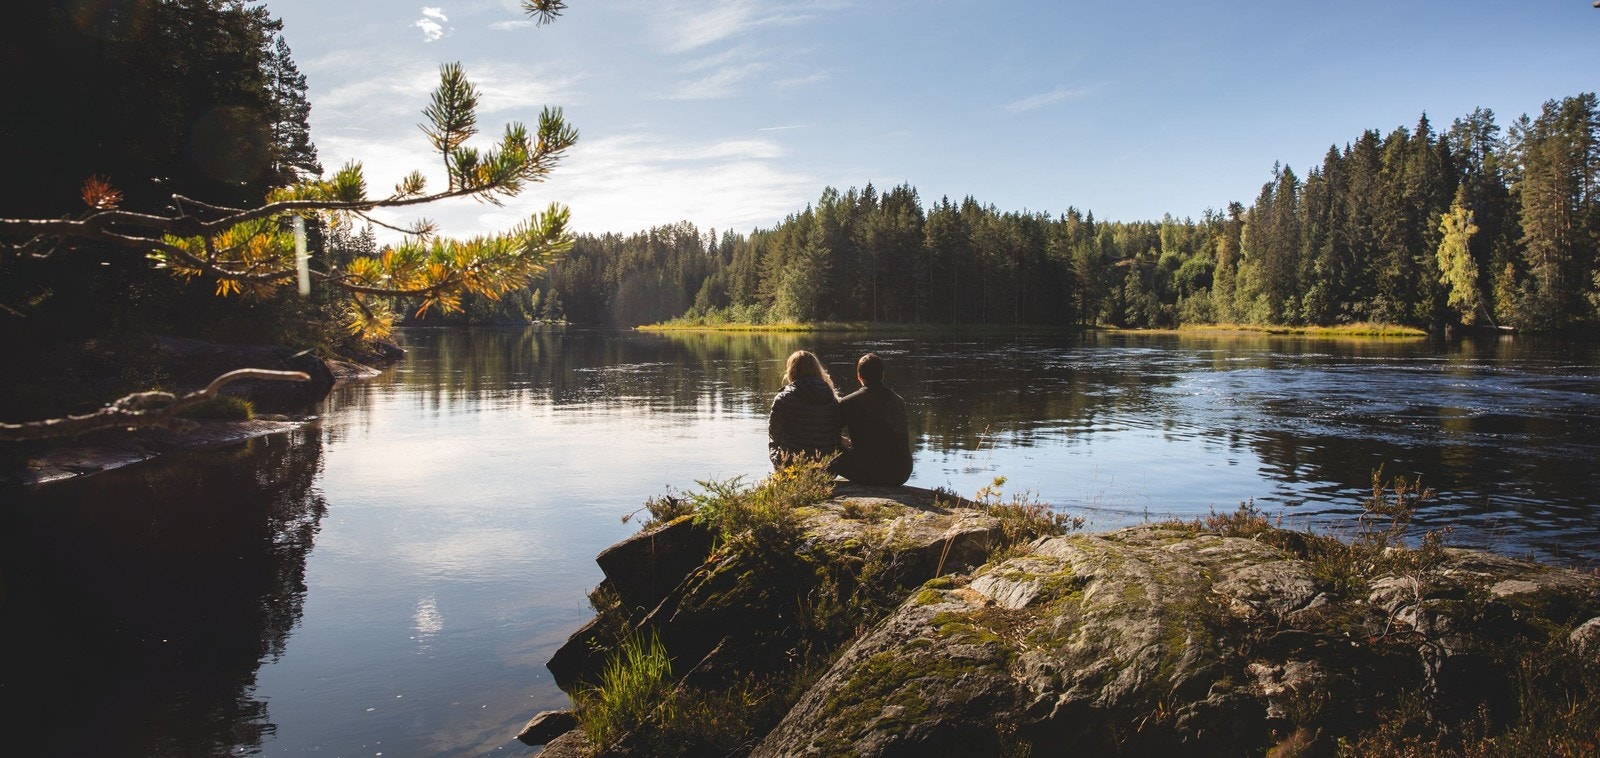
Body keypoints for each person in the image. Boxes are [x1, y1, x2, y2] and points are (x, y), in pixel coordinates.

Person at [832, 353, 913, 486]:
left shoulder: (849, 402)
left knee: (828, 446)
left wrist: (842, 441)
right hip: (901, 473)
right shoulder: (898, 401)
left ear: (859, 376)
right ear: (882, 375)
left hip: (869, 473)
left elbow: (829, 430)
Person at [767, 350, 841, 470]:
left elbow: (774, 437)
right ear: (817, 369)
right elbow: (835, 437)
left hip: (792, 468)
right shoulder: (831, 398)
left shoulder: (783, 399)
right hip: (826, 469)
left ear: (791, 370)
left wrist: (777, 461)